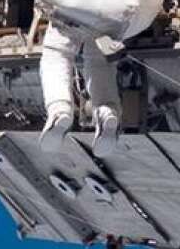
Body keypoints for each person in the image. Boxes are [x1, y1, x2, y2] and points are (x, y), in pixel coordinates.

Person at [38, 17, 122, 154]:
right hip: (120, 13)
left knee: (56, 52)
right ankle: (106, 111)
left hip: (77, 9)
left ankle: (60, 110)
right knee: (100, 59)